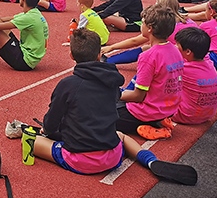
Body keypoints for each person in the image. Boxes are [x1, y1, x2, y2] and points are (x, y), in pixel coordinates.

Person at [32, 28, 197, 185]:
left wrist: (47, 131)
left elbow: (51, 122)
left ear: (71, 55)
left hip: (80, 159)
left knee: (33, 142)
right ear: (99, 55)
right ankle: (150, 160)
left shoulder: (67, 85)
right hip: (113, 156)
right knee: (121, 135)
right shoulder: (112, 82)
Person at [117, 4, 184, 140]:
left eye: (142, 22)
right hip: (167, 108)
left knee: (99, 114)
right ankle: (159, 120)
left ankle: (150, 125)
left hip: (147, 112)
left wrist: (114, 93)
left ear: (150, 28)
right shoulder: (175, 50)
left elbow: (138, 96)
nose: (141, 25)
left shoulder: (148, 56)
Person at [172, 27, 217, 125]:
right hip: (208, 115)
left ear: (188, 52)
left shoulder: (183, 69)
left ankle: (157, 123)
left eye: (177, 45)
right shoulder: (209, 63)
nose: (174, 46)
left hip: (185, 115)